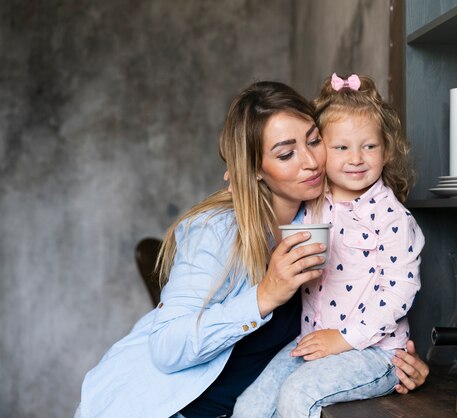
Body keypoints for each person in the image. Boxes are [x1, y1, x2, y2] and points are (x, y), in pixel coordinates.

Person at [77, 80, 428, 418]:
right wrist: (265, 294)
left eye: (314, 140)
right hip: (167, 409)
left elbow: (379, 290)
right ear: (255, 169)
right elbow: (168, 347)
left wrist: (391, 360)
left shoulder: (332, 216)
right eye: (287, 153)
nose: (310, 162)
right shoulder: (217, 230)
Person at [232, 73, 425, 417]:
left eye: (369, 146)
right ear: (321, 151)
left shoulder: (392, 218)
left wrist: (344, 338)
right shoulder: (314, 203)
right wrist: (243, 177)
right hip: (315, 340)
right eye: (341, 147)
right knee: (249, 407)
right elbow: (268, 200)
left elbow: (399, 292)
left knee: (298, 395)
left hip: (374, 352)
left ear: (386, 151)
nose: (356, 158)